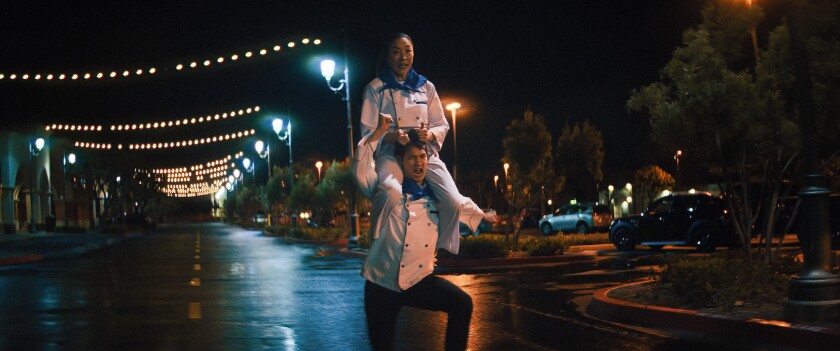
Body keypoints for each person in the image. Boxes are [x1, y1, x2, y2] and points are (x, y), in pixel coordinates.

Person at [354, 114, 485, 351]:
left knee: (462, 304)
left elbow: (463, 205)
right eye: (412, 157)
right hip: (381, 284)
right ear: (400, 161)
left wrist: (486, 216)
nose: (418, 163)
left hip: (417, 281)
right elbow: (361, 167)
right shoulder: (385, 193)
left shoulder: (437, 198)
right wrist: (377, 134)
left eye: (422, 157)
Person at [360, 32, 494, 254]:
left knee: (452, 201)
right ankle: (380, 245)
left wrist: (429, 135)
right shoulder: (375, 88)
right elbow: (367, 132)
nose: (403, 57)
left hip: (424, 154)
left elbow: (442, 124)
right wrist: (393, 135)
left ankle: (438, 250)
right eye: (396, 52)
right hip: (392, 155)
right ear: (387, 56)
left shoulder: (427, 87)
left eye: (407, 51)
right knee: (390, 193)